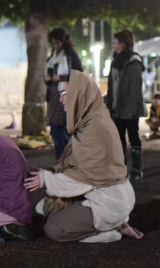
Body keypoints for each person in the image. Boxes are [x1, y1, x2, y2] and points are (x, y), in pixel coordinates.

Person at [24, 70, 143, 243]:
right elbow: (78, 169)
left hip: (110, 202)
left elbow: (85, 177)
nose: (60, 98)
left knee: (54, 228)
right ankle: (116, 224)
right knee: (48, 210)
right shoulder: (90, 120)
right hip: (102, 194)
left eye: (65, 93)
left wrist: (45, 180)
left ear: (79, 95)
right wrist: (47, 174)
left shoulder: (95, 129)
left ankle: (108, 232)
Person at [104, 29, 146, 181]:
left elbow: (135, 88)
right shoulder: (116, 60)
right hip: (116, 107)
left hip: (129, 108)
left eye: (115, 42)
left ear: (122, 43)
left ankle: (136, 170)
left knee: (133, 136)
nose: (113, 45)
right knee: (118, 137)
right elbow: (112, 85)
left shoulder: (133, 61)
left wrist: (130, 110)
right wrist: (108, 102)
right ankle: (121, 168)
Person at [45, 28, 83, 159]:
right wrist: (48, 78)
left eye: (58, 43)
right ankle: (65, 160)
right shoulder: (53, 55)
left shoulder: (71, 55)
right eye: (54, 43)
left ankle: (65, 159)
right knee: (58, 130)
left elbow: (78, 74)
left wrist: (60, 77)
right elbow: (48, 72)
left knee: (60, 130)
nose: (56, 46)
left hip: (66, 95)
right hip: (54, 96)